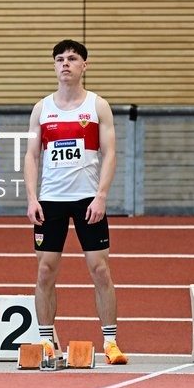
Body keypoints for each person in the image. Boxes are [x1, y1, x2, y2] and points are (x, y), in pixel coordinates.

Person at [23, 39, 128, 365]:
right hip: (51, 200)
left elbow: (110, 153)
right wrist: (31, 198)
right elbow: (31, 155)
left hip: (87, 200)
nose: (65, 64)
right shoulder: (42, 109)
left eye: (72, 59)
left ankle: (110, 342)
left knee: (99, 270)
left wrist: (101, 196)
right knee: (44, 272)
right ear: (54, 66)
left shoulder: (97, 106)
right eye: (59, 59)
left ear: (85, 65)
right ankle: (46, 342)